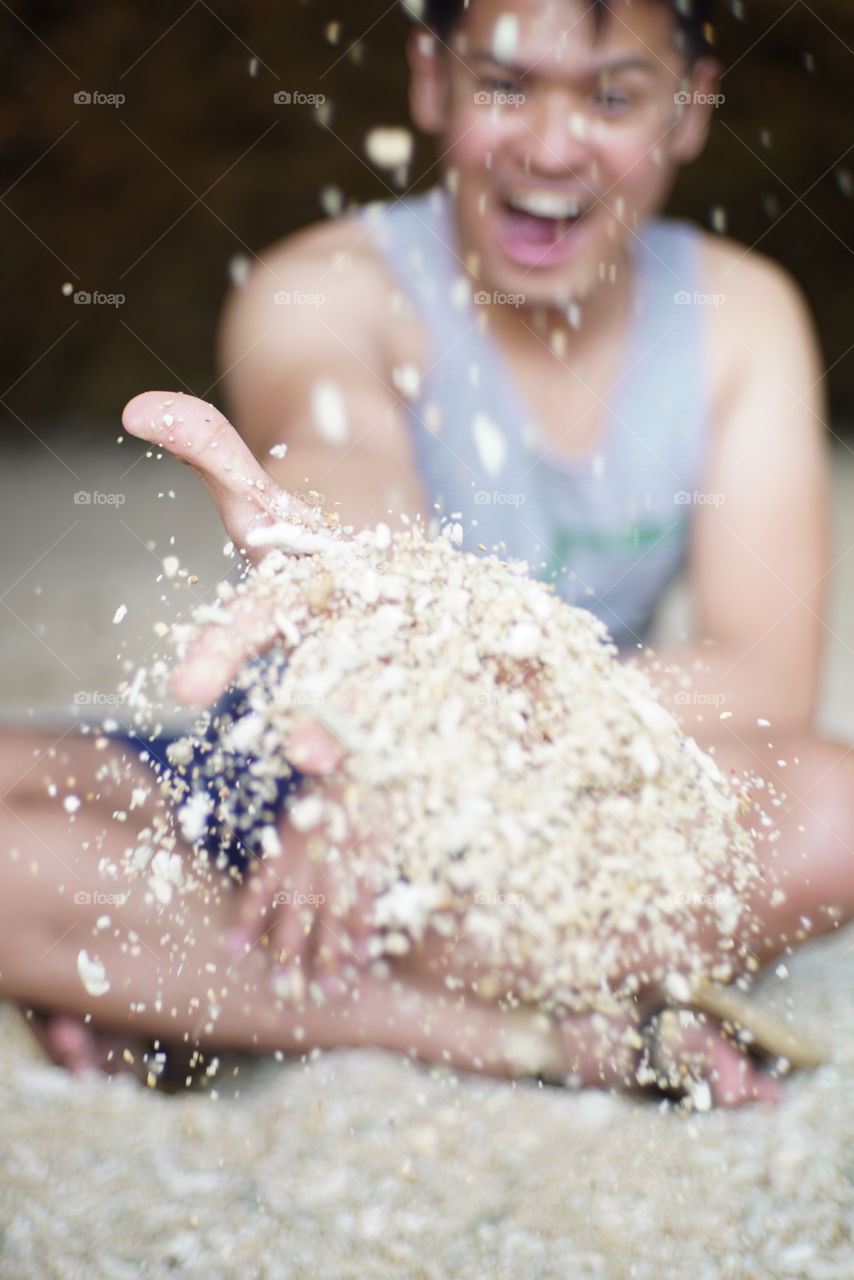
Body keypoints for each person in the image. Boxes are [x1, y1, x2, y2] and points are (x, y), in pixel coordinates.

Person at [2, 0, 849, 1105]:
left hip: (558, 806)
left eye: (610, 95)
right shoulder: (319, 282)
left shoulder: (738, 316)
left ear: (688, 109)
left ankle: (200, 983)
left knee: (833, 809)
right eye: (502, 85)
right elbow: (341, 458)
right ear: (428, 80)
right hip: (304, 773)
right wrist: (356, 646)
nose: (549, 148)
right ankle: (520, 1032)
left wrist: (441, 750)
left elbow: (758, 677)